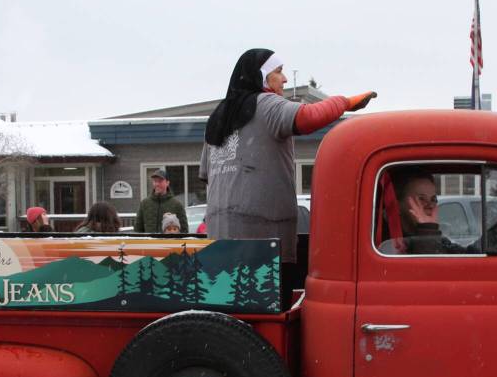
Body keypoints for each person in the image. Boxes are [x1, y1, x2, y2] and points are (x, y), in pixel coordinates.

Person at [199, 48, 375, 265]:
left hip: (219, 242)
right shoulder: (266, 104)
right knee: (269, 297)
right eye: (279, 71)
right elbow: (308, 117)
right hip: (263, 243)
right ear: (261, 75)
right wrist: (345, 103)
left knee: (227, 295)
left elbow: (207, 176)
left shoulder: (217, 117)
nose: (283, 79)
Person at [380, 171, 470, 255]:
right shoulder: (384, 240)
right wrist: (427, 229)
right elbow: (427, 268)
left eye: (433, 199)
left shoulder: (437, 238)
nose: (430, 205)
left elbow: (467, 256)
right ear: (397, 205)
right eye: (421, 199)